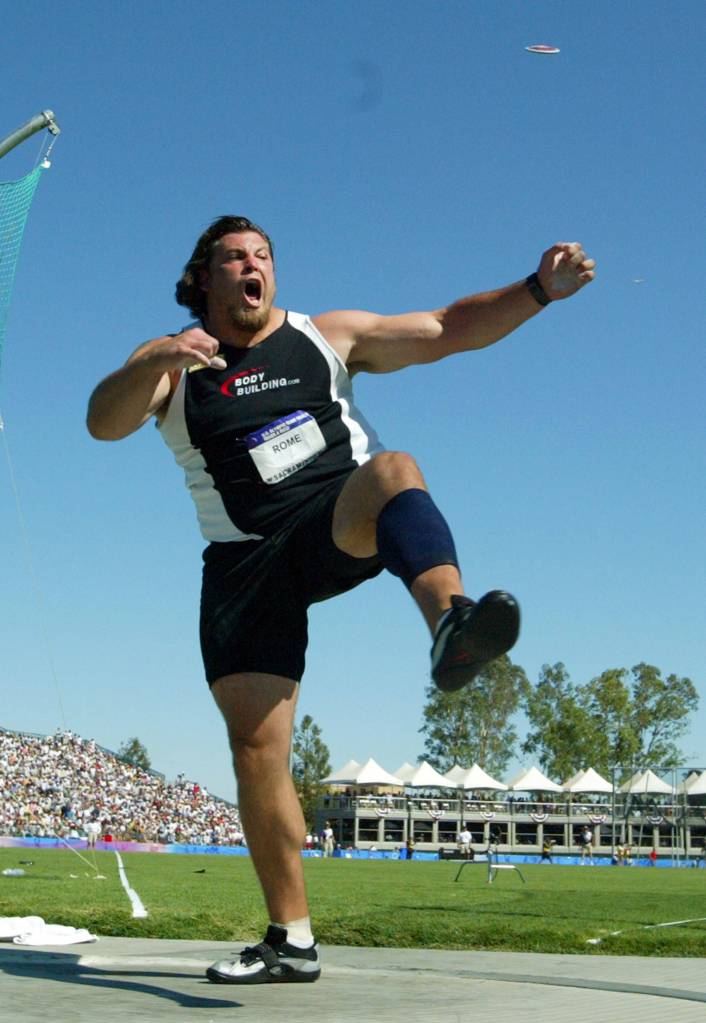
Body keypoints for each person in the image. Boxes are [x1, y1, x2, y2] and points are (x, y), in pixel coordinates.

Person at [87, 215, 595, 985]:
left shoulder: (326, 336)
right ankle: (290, 939)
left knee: (394, 467)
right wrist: (153, 358)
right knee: (258, 754)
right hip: (244, 564)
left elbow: (448, 327)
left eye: (264, 255)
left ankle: (452, 621)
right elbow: (102, 423)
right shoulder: (171, 363)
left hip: (333, 520)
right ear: (205, 279)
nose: (254, 265)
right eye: (236, 257)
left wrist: (537, 291)